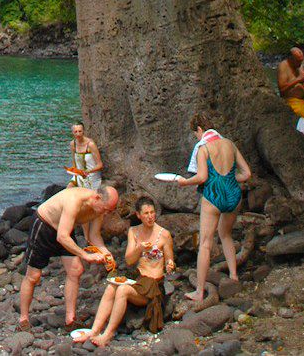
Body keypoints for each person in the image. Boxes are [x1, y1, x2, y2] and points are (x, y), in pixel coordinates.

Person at [75, 196, 175, 347]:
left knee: (122, 290)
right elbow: (129, 260)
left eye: (152, 212)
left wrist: (170, 264)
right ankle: (94, 330)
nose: (150, 217)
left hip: (153, 286)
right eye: (146, 213)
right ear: (138, 215)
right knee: (110, 287)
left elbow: (170, 260)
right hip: (138, 279)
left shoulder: (164, 234)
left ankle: (108, 334)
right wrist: (140, 248)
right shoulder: (133, 231)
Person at [18, 186, 119, 331]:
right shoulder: (74, 200)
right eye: (106, 209)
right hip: (44, 225)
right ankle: (24, 319)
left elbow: (93, 236)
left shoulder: (99, 209)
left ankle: (70, 319)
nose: (106, 213)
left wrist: (105, 253)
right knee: (33, 276)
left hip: (64, 229)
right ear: (97, 198)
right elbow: (62, 237)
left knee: (76, 270)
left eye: (109, 210)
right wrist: (85, 255)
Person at [176, 113, 251, 302]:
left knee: (205, 244)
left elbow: (201, 177)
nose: (197, 138)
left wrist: (184, 182)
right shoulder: (229, 144)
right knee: (225, 234)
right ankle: (233, 276)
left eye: (196, 134)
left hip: (213, 196)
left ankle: (200, 291)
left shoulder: (204, 148)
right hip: (234, 195)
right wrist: (230, 180)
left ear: (199, 130)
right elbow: (247, 173)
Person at [68, 123, 104, 190]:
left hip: (91, 176)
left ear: (83, 131)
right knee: (68, 189)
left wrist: (88, 171)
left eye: (80, 131)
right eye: (75, 132)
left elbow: (100, 165)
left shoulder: (91, 144)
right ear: (72, 133)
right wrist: (73, 171)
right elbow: (74, 161)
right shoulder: (73, 144)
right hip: (79, 175)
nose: (78, 134)